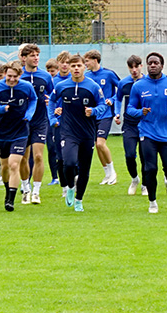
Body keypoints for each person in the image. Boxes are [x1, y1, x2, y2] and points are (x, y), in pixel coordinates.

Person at [48, 54, 107, 212]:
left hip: (87, 133)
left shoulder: (93, 86)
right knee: (68, 163)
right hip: (68, 132)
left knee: (85, 169)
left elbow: (103, 104)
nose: (75, 68)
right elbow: (52, 101)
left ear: (84, 67)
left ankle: (79, 200)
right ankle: (70, 187)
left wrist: (93, 111)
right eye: (72, 66)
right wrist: (52, 116)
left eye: (78, 66)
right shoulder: (62, 86)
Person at [127, 52, 167, 213]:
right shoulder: (138, 86)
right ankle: (152, 202)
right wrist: (141, 112)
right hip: (147, 133)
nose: (153, 65)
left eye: (156, 62)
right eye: (150, 63)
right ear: (147, 65)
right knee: (150, 169)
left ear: (162, 65)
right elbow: (130, 108)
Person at [0, 61, 37, 212]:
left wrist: (29, 114)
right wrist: (0, 109)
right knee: (5, 166)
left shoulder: (26, 87)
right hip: (3, 132)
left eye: (15, 76)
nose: (11, 79)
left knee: (15, 164)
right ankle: (8, 190)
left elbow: (33, 100)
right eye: (9, 76)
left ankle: (11, 200)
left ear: (20, 76)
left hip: (21, 131)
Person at [18, 44, 54, 205]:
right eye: (32, 55)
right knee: (23, 158)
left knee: (38, 156)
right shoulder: (18, 76)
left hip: (40, 121)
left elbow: (53, 95)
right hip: (22, 122)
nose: (36, 58)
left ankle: (36, 192)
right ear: (24, 58)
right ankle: (26, 188)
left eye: (37, 55)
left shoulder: (45, 76)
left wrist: (51, 101)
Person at [83, 50, 120, 185]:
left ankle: (113, 172)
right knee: (96, 146)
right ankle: (107, 174)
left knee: (100, 143)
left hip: (106, 114)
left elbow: (121, 89)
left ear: (95, 60)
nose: (85, 64)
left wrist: (112, 99)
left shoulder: (109, 74)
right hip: (92, 115)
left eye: (87, 61)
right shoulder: (86, 76)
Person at [114, 55, 148, 196]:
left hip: (146, 124)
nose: (134, 70)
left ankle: (145, 184)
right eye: (131, 67)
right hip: (129, 124)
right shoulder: (124, 83)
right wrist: (117, 113)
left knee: (145, 156)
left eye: (136, 66)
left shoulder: (148, 82)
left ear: (141, 66)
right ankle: (135, 179)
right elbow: (118, 98)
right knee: (129, 155)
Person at [51, 50, 72, 197]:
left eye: (67, 62)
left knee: (73, 157)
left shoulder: (77, 79)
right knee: (60, 156)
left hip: (73, 123)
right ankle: (64, 186)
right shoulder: (52, 81)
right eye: (62, 62)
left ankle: (74, 183)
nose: (65, 65)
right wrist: (53, 115)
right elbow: (49, 101)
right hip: (58, 123)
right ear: (58, 64)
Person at [45, 58, 60, 186]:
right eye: (49, 71)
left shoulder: (60, 83)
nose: (51, 74)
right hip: (48, 120)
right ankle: (54, 177)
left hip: (62, 120)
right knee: (51, 148)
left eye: (53, 71)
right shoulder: (47, 82)